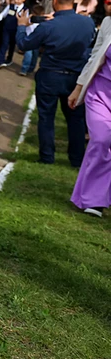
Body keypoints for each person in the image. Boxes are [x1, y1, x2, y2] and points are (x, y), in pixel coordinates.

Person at [17, 0, 94, 166]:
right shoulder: (87, 22)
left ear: (54, 1)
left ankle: (47, 157)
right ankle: (77, 159)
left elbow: (24, 44)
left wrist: (21, 26)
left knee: (46, 117)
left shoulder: (49, 26)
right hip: (75, 77)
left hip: (51, 75)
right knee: (76, 119)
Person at [68, 17, 111, 216]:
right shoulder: (108, 23)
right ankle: (93, 200)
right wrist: (78, 88)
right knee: (101, 140)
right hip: (100, 94)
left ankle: (99, 194)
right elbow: (94, 57)